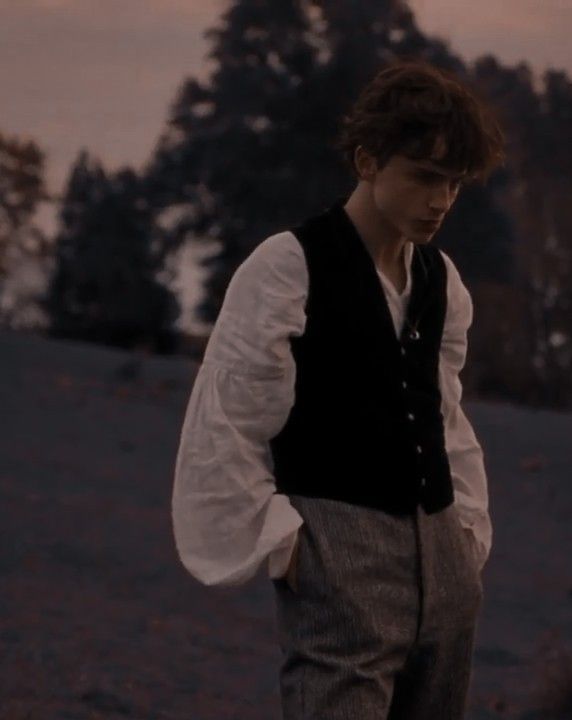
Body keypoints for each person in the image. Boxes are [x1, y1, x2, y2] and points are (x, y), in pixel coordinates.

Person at [171, 58, 506, 719]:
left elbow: (445, 419)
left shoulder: (442, 281)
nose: (439, 201)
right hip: (338, 558)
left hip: (444, 568)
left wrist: (464, 537)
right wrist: (290, 548)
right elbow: (226, 421)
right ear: (366, 160)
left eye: (454, 185)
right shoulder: (286, 267)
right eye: (423, 178)